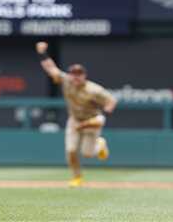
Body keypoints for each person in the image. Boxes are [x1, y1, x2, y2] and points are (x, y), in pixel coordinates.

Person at [35, 41, 117, 187]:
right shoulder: (66, 81)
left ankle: (100, 145)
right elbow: (50, 68)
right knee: (71, 150)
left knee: (87, 154)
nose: (76, 77)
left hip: (91, 121)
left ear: (84, 76)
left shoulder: (93, 89)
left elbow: (111, 100)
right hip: (75, 120)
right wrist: (42, 53)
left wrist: (107, 109)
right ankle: (77, 177)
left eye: (79, 74)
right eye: (74, 74)